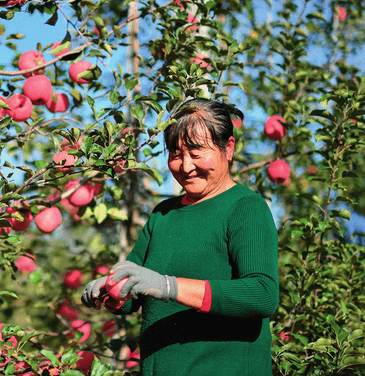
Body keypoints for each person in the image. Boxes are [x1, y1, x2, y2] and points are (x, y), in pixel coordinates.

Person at [81, 98, 279, 375]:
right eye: (175, 153)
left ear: (228, 148)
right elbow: (133, 294)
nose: (185, 166)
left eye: (197, 152)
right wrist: (110, 290)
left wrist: (168, 287)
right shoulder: (163, 215)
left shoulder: (246, 208)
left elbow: (262, 294)